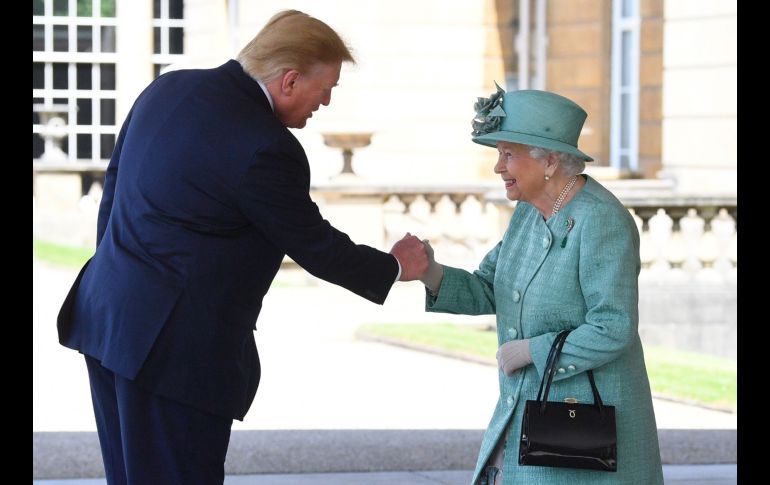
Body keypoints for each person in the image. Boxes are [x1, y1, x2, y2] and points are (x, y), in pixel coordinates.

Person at [56, 10, 427, 484]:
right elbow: (314, 244)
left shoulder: (168, 88)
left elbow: (114, 189)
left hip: (108, 318)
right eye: (327, 87)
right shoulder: (267, 147)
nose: (327, 102)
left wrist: (121, 275)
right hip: (174, 353)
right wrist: (395, 266)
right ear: (290, 80)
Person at [416, 86, 664, 484]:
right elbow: (488, 286)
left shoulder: (601, 221)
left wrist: (533, 351)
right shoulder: (527, 215)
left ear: (548, 161)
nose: (498, 167)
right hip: (527, 417)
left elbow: (613, 326)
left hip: (582, 429)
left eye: (508, 154)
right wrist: (430, 271)